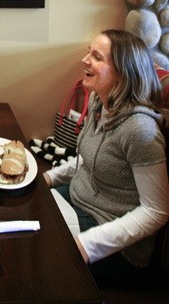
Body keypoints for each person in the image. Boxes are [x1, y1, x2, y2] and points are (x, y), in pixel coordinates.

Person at [44, 29, 169, 284]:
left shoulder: (140, 131)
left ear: (122, 74)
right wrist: (47, 178)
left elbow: (156, 211)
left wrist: (87, 244)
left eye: (97, 57)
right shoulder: (99, 103)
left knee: (37, 254)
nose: (85, 60)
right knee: (24, 208)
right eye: (88, 52)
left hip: (114, 238)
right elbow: (87, 160)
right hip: (78, 199)